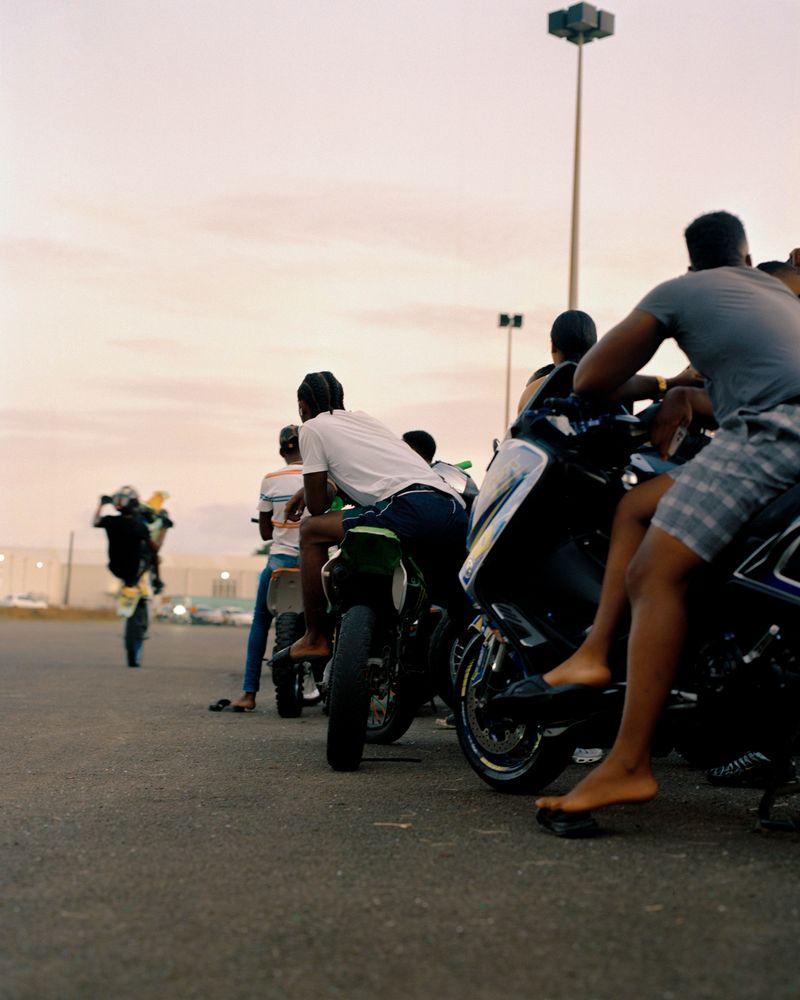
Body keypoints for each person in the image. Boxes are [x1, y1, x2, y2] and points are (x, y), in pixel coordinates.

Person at [526, 211, 800, 826]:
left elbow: (593, 376)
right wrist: (682, 396)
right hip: (775, 427)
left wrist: (655, 383)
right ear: (747, 257)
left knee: (654, 576)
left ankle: (627, 762)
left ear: (690, 263)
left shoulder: (679, 292)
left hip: (777, 433)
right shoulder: (775, 294)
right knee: (637, 507)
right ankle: (598, 649)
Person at [272, 371, 468, 669]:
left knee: (311, 532)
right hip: (450, 507)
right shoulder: (363, 420)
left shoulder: (310, 428)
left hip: (409, 506)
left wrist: (316, 488)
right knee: (457, 605)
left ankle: (316, 637)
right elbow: (374, 475)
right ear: (341, 400)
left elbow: (317, 506)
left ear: (302, 407)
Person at [209, 426, 304, 712]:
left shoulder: (271, 479)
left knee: (260, 621)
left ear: (281, 451)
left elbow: (265, 533)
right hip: (313, 562)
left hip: (280, 562)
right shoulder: (320, 478)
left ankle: (249, 694)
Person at [94, 487, 156, 588]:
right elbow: (154, 548)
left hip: (114, 568)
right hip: (133, 570)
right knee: (151, 554)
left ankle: (132, 583)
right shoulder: (139, 526)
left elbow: (95, 522)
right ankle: (156, 582)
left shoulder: (110, 521)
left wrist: (101, 505)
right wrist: (164, 529)